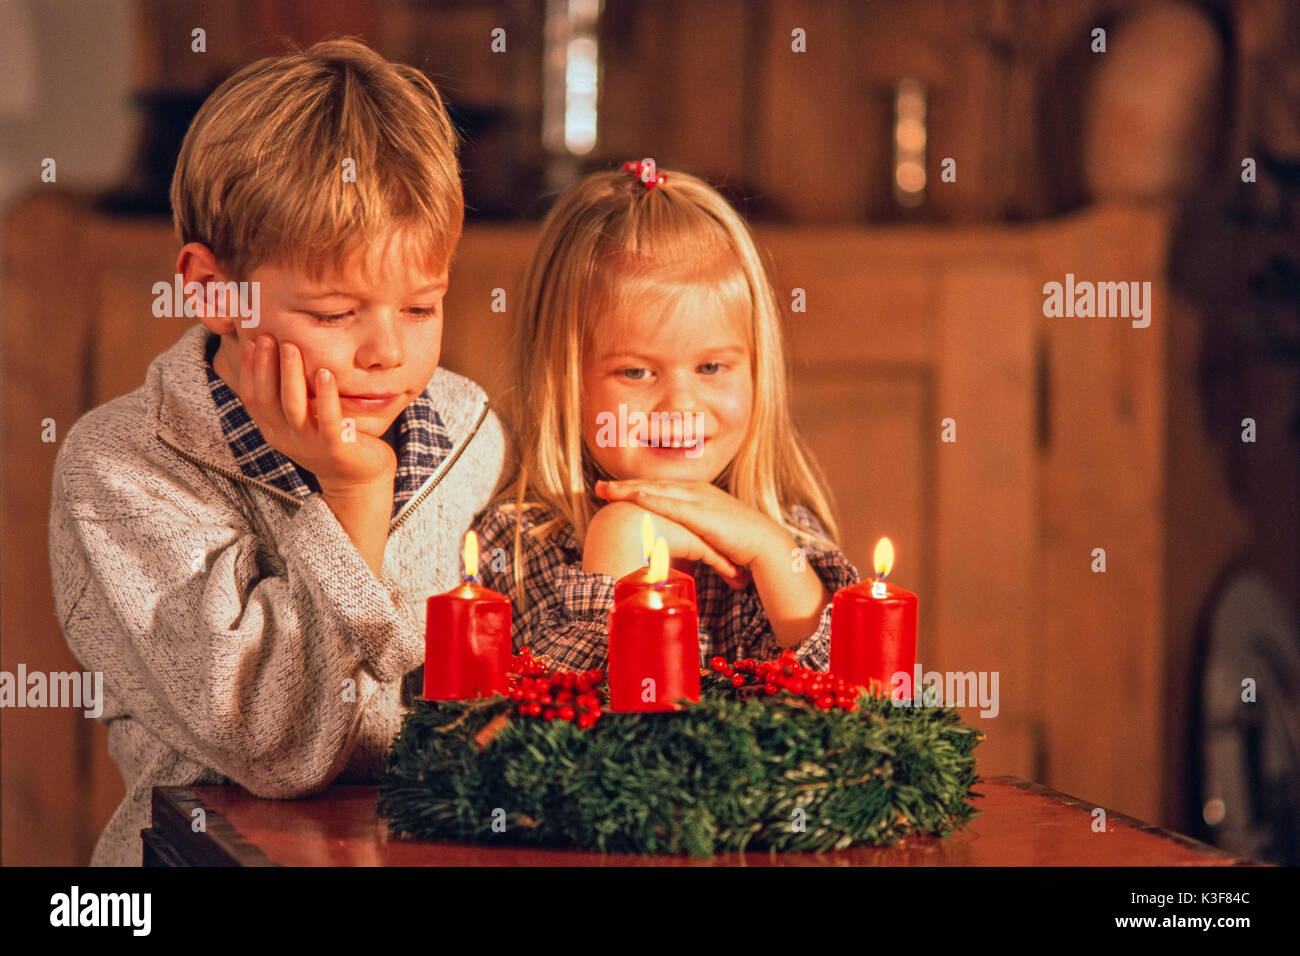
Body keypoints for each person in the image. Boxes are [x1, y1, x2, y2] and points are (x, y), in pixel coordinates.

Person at [47, 39, 505, 866]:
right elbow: (274, 748)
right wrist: (354, 500)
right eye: (335, 315)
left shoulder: (469, 430)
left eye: (421, 307)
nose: (386, 353)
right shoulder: (121, 470)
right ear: (211, 290)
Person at [474, 161, 859, 673]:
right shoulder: (518, 545)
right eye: (635, 372)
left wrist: (771, 552)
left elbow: (857, 708)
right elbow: (559, 732)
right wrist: (621, 541)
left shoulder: (788, 533)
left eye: (711, 367)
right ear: (562, 381)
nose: (680, 406)